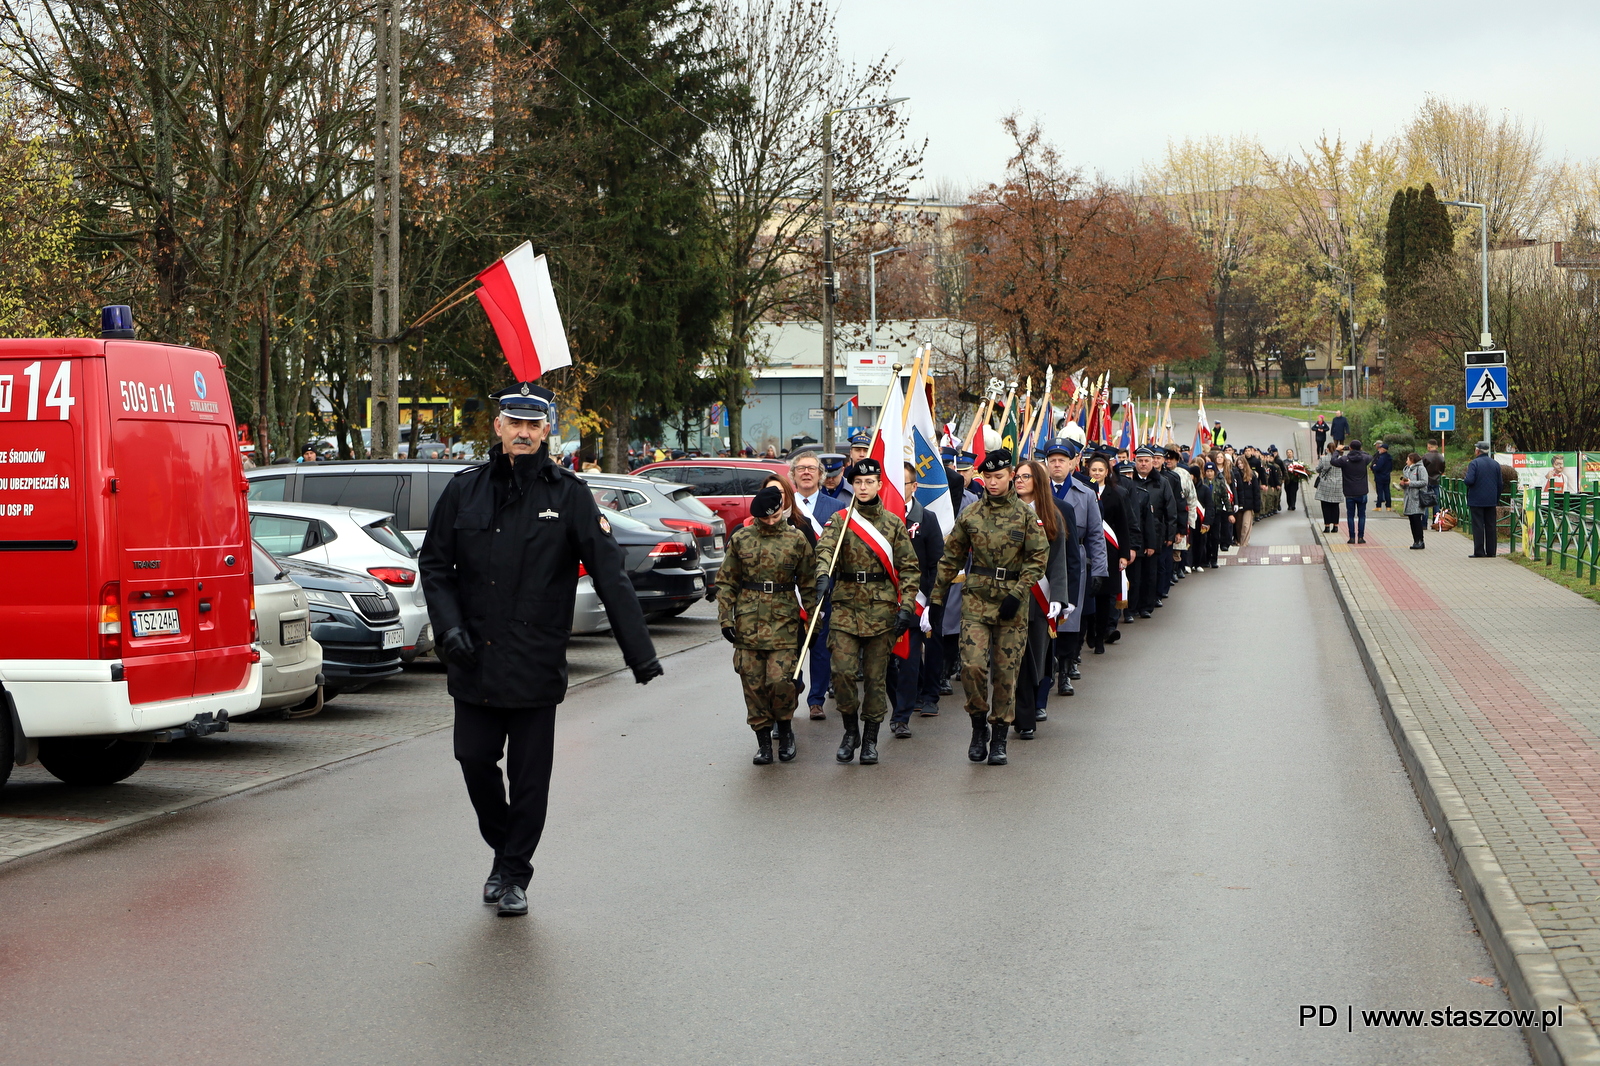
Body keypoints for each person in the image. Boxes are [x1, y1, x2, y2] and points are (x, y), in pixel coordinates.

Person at [419, 382, 662, 917]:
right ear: (499, 426)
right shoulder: (465, 490)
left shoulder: (568, 495)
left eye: (535, 424)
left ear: (547, 428)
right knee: (473, 759)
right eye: (515, 422)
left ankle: (513, 874)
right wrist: (448, 627)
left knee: (530, 781)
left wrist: (639, 652)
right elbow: (435, 566)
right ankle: (504, 849)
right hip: (473, 660)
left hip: (534, 662)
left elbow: (609, 572)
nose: (524, 432)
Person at [931, 448, 1049, 766]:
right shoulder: (970, 515)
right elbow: (950, 557)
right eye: (989, 478)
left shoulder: (1025, 516)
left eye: (999, 477)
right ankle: (977, 726)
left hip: (1013, 603)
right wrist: (937, 600)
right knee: (971, 667)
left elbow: (1038, 558)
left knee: (1006, 674)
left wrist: (1018, 592)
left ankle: (999, 737)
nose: (993, 483)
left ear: (1011, 475)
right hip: (977, 600)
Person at [814, 458, 919, 764]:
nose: (862, 487)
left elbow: (910, 569)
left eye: (868, 482)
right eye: (858, 482)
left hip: (882, 611)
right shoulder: (841, 519)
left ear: (879, 485)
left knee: (875, 679)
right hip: (846, 608)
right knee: (843, 673)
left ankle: (871, 738)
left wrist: (906, 608)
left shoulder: (893, 524)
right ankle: (850, 731)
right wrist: (822, 576)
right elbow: (825, 550)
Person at [719, 485, 817, 765]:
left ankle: (785, 731)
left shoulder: (796, 539)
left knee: (781, 682)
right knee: (753, 685)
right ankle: (763, 742)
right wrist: (726, 618)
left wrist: (813, 621)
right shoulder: (742, 539)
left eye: (775, 517)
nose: (771, 521)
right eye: (766, 518)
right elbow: (726, 582)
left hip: (784, 622)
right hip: (748, 623)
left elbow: (809, 584)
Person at [1012, 459, 1076, 740]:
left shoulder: (1052, 515)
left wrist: (1060, 598)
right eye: (1017, 476)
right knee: (1010, 659)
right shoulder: (1005, 511)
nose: (1019, 481)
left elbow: (1059, 560)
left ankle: (1034, 701)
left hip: (1039, 598)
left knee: (1036, 655)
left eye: (1026, 476)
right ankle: (1018, 713)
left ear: (1038, 480)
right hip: (1009, 597)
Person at [1044, 440, 1107, 695]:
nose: (1057, 465)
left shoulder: (1086, 494)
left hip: (1074, 563)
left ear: (1072, 463)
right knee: (1043, 617)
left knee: (1069, 620)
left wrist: (1099, 571)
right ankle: (1046, 670)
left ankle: (1066, 670)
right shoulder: (1035, 492)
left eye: (1062, 460)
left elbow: (1095, 535)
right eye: (1052, 460)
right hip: (1042, 563)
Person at [888, 461, 945, 738]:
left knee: (908, 662)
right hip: (880, 602)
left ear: (914, 486)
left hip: (915, 602)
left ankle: (901, 717)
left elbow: (936, 564)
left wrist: (930, 601)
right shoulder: (881, 518)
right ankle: (895, 704)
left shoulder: (927, 519)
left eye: (905, 484)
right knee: (886, 666)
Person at [789, 452, 846, 717]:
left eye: (812, 468)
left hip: (825, 586)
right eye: (801, 469)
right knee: (792, 644)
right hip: (792, 589)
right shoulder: (786, 507)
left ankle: (816, 700)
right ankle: (793, 687)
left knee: (821, 645)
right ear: (793, 475)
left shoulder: (833, 508)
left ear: (820, 475)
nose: (806, 473)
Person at [1463, 441, 1503, 558]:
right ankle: (1491, 551)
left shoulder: (1474, 463)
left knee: (1478, 525)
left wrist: (1465, 479)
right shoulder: (1495, 464)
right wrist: (1496, 497)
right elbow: (1500, 483)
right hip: (1491, 500)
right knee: (1491, 525)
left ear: (1477, 451)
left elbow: (1469, 480)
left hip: (1476, 500)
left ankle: (1479, 551)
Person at [1331, 439, 1372, 544]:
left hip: (1349, 492)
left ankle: (1352, 537)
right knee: (1362, 515)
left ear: (1349, 448)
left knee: (1350, 515)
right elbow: (1370, 456)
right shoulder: (1364, 458)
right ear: (1360, 448)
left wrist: (1337, 450)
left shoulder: (1344, 460)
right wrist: (1359, 451)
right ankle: (1361, 537)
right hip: (1362, 491)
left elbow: (1333, 461)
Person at [1401, 451, 1430, 550]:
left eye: (1408, 459)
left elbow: (1424, 482)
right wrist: (1402, 484)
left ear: (1412, 460)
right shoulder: (1406, 469)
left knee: (1417, 519)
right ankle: (1415, 540)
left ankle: (1420, 541)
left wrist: (1411, 483)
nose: (1406, 462)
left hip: (1417, 498)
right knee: (1412, 520)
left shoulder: (1421, 468)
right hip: (1408, 498)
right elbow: (1406, 481)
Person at [1231, 454, 1260, 549]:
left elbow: (1256, 491)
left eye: (1241, 463)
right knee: (1238, 525)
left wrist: (1257, 506)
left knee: (1246, 525)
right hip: (1239, 504)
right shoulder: (1235, 475)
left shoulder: (1251, 475)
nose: (1240, 465)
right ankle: (1239, 540)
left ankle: (1244, 542)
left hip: (1249, 504)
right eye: (1238, 463)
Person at [1314, 443, 1344, 533]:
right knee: (1335, 506)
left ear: (1327, 449)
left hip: (1325, 484)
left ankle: (1327, 526)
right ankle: (1336, 526)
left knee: (1325, 506)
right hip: (1337, 484)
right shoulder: (1341, 459)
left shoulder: (1324, 458)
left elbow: (1318, 469)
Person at [1371, 442, 1394, 511]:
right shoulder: (1389, 457)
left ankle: (1378, 506)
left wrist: (1374, 467)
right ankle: (1388, 506)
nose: (1379, 449)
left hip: (1380, 476)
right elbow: (1391, 467)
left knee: (1380, 491)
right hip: (1387, 476)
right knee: (1387, 491)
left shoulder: (1381, 458)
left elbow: (1378, 467)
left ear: (1383, 449)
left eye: (1380, 448)